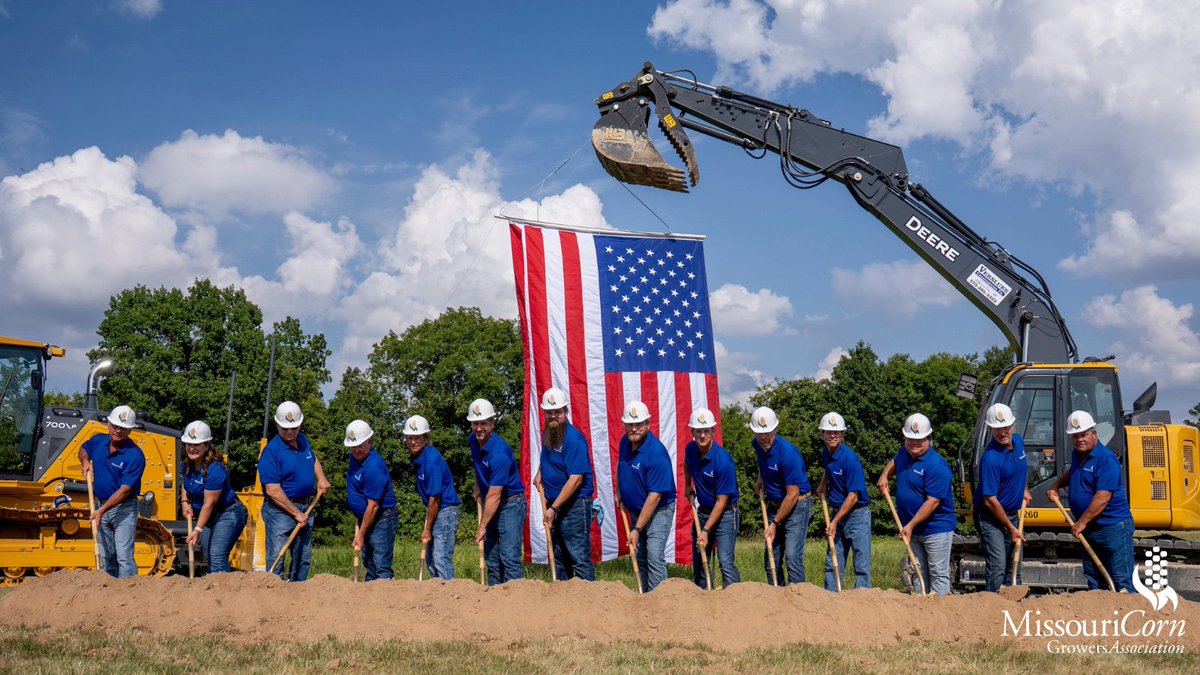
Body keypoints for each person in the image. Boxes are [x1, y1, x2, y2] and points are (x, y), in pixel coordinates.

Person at [1047, 409, 1134, 592]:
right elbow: (1074, 474)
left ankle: (1129, 617)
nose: (1080, 439)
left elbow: (1103, 497)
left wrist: (1081, 522)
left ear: (1094, 434)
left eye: (1084, 435)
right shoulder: (1078, 455)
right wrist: (1056, 485)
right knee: (1094, 579)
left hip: (1111, 527)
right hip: (1090, 528)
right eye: (1075, 436)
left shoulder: (1106, 459)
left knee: (1120, 580)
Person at [877, 413, 957, 596]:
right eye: (910, 439)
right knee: (918, 572)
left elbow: (933, 501)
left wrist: (910, 525)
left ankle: (940, 612)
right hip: (912, 528)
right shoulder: (904, 452)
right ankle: (921, 611)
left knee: (937, 573)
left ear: (929, 438)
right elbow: (895, 461)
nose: (914, 444)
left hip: (936, 528)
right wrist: (884, 475)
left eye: (919, 440)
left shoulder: (936, 465)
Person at [257, 400, 331, 582]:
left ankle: (299, 593)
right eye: (285, 428)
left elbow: (312, 459)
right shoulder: (271, 452)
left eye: (294, 427)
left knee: (302, 558)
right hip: (280, 511)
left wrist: (321, 478)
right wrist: (296, 513)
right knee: (277, 556)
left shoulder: (303, 440)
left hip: (306, 506)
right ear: (277, 425)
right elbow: (273, 490)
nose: (290, 432)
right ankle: (275, 593)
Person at [533, 387, 595, 581]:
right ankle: (564, 600)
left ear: (565, 412)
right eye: (549, 412)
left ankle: (590, 600)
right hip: (555, 503)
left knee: (577, 556)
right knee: (559, 556)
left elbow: (576, 479)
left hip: (574, 505)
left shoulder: (574, 439)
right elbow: (551, 459)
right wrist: (540, 472)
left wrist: (553, 508)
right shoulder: (550, 433)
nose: (553, 416)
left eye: (557, 412)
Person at [615, 401, 677, 592]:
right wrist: (619, 492)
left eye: (638, 424)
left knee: (653, 555)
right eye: (630, 424)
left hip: (658, 510)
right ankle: (644, 599)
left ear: (648, 424)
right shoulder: (625, 442)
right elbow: (621, 467)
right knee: (639, 555)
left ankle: (659, 601)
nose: (634, 428)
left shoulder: (656, 453)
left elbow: (655, 497)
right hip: (635, 509)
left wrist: (637, 528)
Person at [78, 405, 145, 578]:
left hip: (124, 509)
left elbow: (124, 490)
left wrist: (101, 510)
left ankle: (129, 593)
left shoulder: (135, 456)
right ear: (108, 424)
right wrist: (85, 462)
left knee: (123, 557)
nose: (118, 430)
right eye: (115, 426)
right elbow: (84, 449)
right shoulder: (98, 441)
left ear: (130, 430)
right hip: (101, 505)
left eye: (123, 428)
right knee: (106, 557)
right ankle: (110, 597)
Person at [751, 406, 812, 586]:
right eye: (759, 433)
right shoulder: (758, 445)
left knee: (792, 556)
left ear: (775, 430)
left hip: (798, 505)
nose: (763, 438)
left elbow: (792, 494)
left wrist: (774, 523)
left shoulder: (788, 454)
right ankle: (777, 598)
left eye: (767, 433)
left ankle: (799, 597)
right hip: (775, 504)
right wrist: (761, 478)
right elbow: (764, 463)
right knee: (771, 558)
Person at [467, 398, 526, 585]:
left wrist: (482, 526)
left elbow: (494, 494)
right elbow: (478, 465)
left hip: (510, 504)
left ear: (492, 424)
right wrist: (478, 485)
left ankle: (516, 601)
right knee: (492, 559)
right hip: (491, 503)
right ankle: (493, 600)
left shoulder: (500, 453)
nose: (479, 428)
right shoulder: (473, 441)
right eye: (475, 423)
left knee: (508, 557)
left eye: (483, 423)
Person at [973, 403, 1031, 592]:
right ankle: (994, 608)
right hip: (991, 518)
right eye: (997, 429)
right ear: (990, 429)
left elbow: (1021, 469)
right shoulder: (990, 459)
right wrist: (1011, 528)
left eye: (1005, 427)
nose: (1002, 432)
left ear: (1012, 426)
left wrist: (1024, 488)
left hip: (1012, 514)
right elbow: (990, 499)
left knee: (1014, 567)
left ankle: (1015, 610)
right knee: (998, 566)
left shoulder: (1018, 442)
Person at [682, 406, 740, 588]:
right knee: (700, 558)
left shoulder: (723, 461)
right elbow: (687, 462)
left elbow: (722, 502)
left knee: (725, 562)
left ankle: (734, 599)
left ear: (713, 432)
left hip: (726, 514)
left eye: (706, 431)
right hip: (703, 511)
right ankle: (703, 597)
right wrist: (687, 484)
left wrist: (706, 531)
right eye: (698, 431)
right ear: (692, 431)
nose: (702, 435)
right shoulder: (691, 449)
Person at [180, 420, 247, 574]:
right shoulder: (187, 464)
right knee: (209, 557)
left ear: (206, 445)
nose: (191, 448)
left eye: (196, 445)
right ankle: (212, 593)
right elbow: (185, 484)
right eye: (189, 444)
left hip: (228, 513)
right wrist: (184, 501)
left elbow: (209, 503)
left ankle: (222, 594)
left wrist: (196, 530)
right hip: (208, 517)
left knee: (217, 555)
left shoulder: (216, 469)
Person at [814, 412, 871, 591]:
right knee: (833, 560)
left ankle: (862, 600)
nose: (832, 436)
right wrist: (823, 483)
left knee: (861, 564)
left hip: (857, 515)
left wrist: (835, 521)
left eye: (836, 432)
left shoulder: (850, 459)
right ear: (822, 434)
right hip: (837, 512)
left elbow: (853, 495)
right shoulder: (826, 452)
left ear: (842, 435)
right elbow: (829, 469)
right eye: (828, 432)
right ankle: (832, 598)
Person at [406, 414, 460, 580]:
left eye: (417, 438)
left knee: (440, 558)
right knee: (430, 560)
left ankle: (448, 592)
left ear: (425, 438)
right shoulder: (420, 459)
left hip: (444, 511)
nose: (413, 442)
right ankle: (436, 594)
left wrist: (427, 529)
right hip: (435, 510)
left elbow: (435, 499)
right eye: (410, 438)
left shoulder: (431, 460)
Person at [344, 419, 397, 581]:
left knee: (381, 562)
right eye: (353, 446)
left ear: (370, 442)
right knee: (369, 562)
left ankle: (385, 596)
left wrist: (360, 534)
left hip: (381, 517)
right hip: (365, 516)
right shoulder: (356, 457)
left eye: (360, 446)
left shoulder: (374, 466)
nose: (356, 450)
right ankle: (369, 597)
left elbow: (373, 506)